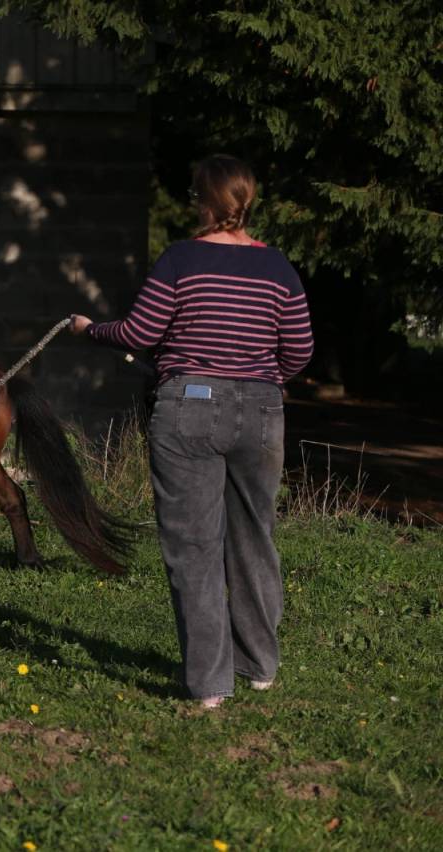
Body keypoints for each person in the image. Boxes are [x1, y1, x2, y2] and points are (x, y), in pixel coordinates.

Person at [69, 154, 314, 708]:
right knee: (256, 538)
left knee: (194, 548)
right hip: (261, 411)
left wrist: (90, 330)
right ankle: (259, 666)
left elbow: (141, 331)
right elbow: (299, 351)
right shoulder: (279, 268)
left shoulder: (182, 259)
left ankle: (209, 685)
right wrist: (262, 378)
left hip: (189, 408)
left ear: (201, 201)